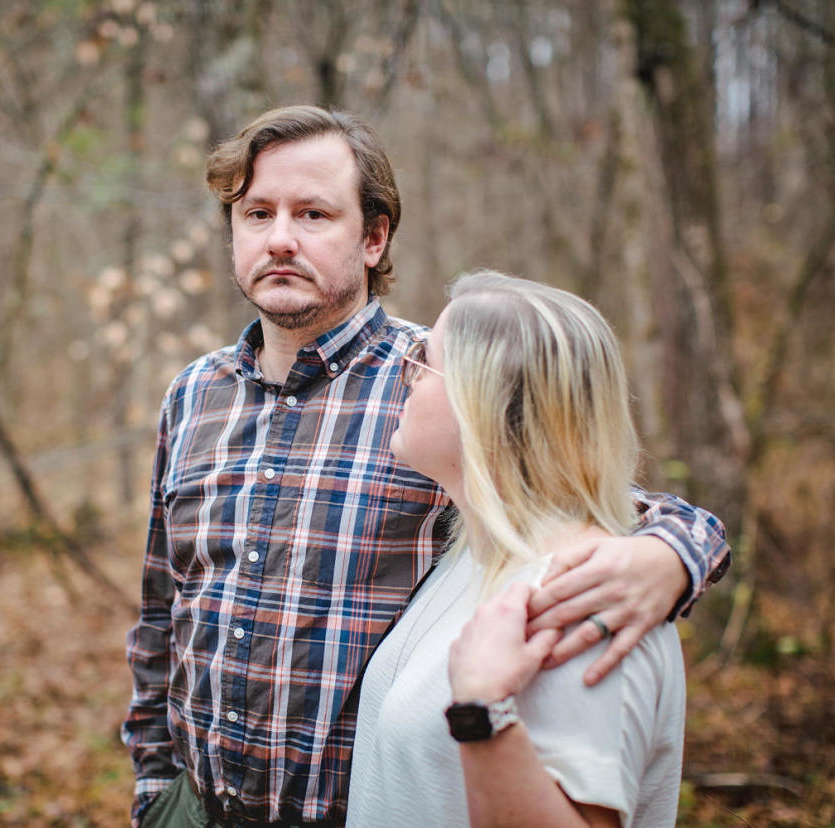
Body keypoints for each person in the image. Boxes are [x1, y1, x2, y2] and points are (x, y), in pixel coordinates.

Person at [123, 105, 728, 828]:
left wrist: (675, 555)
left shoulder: (436, 387)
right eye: (257, 213)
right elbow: (162, 607)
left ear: (373, 236)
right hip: (195, 807)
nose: (280, 239)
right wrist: (155, 790)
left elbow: (583, 499)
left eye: (314, 214)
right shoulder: (195, 395)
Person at [347, 271, 685, 827]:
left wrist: (482, 710)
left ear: (483, 404)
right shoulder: (469, 557)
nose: (404, 379)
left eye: (423, 362)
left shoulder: (586, 599)